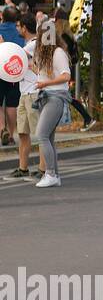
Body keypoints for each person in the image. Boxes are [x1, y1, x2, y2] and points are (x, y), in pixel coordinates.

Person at [28, 19, 73, 188]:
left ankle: (51, 174)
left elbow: (66, 76)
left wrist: (44, 83)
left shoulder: (58, 52)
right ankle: (53, 174)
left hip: (55, 97)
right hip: (47, 96)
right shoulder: (45, 52)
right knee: (48, 137)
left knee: (42, 135)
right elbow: (44, 73)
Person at [8, 14, 39, 179]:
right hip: (24, 92)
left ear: (24, 28)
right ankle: (23, 167)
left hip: (33, 93)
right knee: (22, 132)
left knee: (41, 134)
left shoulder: (31, 47)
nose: (17, 29)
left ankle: (43, 169)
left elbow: (13, 59)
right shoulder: (28, 46)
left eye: (19, 26)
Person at [1, 6, 22, 146]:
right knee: (12, 104)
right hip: (15, 72)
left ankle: (2, 129)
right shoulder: (20, 33)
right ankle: (11, 135)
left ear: (2, 16)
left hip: (0, 70)